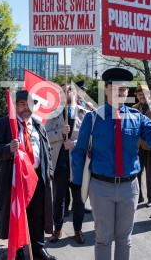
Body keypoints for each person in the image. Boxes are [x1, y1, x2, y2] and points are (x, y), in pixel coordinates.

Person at [71, 68, 151, 260]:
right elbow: (79, 152)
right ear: (106, 89)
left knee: (124, 239)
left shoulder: (137, 117)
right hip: (101, 187)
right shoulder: (92, 119)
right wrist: (77, 183)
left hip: (129, 187)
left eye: (124, 89)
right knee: (103, 239)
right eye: (115, 88)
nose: (120, 92)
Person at [0, 90, 56, 260]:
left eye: (29, 104)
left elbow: (46, 150)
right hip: (16, 179)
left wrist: (48, 173)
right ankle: (19, 250)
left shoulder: (37, 124)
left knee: (38, 215)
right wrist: (8, 149)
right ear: (15, 105)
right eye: (22, 104)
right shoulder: (5, 124)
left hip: (37, 178)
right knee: (18, 215)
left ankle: (38, 248)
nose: (26, 107)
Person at [45, 83, 88, 244]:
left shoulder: (85, 114)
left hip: (77, 164)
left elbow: (89, 137)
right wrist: (59, 134)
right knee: (58, 198)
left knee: (79, 199)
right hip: (59, 162)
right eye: (62, 91)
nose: (65, 93)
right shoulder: (53, 113)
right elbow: (46, 135)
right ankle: (57, 229)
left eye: (68, 90)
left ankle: (78, 229)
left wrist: (74, 143)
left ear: (74, 93)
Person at [132, 85, 151, 206]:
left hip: (150, 145)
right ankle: (138, 196)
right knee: (137, 172)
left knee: (150, 173)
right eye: (139, 95)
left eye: (143, 94)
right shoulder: (134, 108)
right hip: (137, 145)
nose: (141, 96)